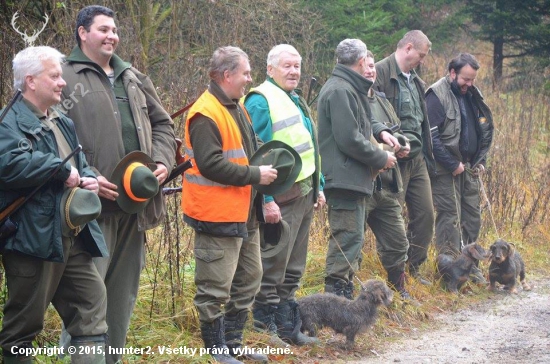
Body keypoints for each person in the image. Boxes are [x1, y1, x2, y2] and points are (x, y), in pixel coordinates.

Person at [59, 6, 176, 363]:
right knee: (87, 299)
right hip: (88, 212)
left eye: (115, 31)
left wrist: (161, 161)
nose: (112, 36)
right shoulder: (64, 75)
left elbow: (164, 126)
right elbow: (51, 134)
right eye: (103, 30)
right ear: (82, 33)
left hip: (134, 208)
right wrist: (88, 172)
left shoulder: (134, 77)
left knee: (122, 298)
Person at [0, 46, 108, 363]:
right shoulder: (8, 123)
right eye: (55, 76)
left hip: (74, 236)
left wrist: (88, 177)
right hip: (32, 239)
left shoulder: (61, 120)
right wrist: (62, 171)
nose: (63, 83)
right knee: (22, 329)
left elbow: (79, 161)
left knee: (91, 307)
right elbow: (8, 163)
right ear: (31, 81)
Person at [182, 46, 278, 364]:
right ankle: (216, 351)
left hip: (243, 212)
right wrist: (255, 174)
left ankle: (234, 344)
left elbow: (249, 145)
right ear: (227, 75)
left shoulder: (236, 106)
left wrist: (274, 154)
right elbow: (210, 165)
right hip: (216, 215)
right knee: (214, 287)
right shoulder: (205, 113)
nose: (250, 79)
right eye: (246, 73)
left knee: (250, 278)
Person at [244, 44, 325, 345]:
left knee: (294, 266)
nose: (294, 71)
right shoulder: (261, 100)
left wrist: (320, 185)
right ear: (270, 69)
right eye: (287, 66)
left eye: (297, 66)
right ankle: (265, 329)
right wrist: (265, 199)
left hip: (304, 193)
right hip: (280, 198)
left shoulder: (295, 99)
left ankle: (288, 327)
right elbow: (257, 154)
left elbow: (308, 146)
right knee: (274, 263)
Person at [317, 39, 400, 300]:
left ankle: (344, 303)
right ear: (362, 60)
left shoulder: (350, 87)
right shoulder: (341, 90)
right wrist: (381, 158)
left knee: (352, 242)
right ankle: (336, 306)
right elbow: (349, 139)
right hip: (344, 180)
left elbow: (360, 131)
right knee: (345, 243)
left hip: (352, 178)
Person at [373, 30, 435, 285]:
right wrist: (391, 143)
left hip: (418, 159)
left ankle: (415, 267)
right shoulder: (377, 73)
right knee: (393, 216)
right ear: (408, 48)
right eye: (420, 55)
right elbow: (370, 115)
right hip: (393, 160)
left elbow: (421, 121)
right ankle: (395, 274)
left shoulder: (416, 81)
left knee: (426, 214)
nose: (421, 61)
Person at [425, 53, 494, 283]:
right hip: (446, 169)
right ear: (452, 73)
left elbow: (481, 129)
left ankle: (469, 266)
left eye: (472, 79)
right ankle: (448, 270)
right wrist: (452, 164)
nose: (469, 84)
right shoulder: (437, 95)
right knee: (449, 218)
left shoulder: (472, 94)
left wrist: (480, 159)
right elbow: (430, 138)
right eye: (465, 79)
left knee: (472, 217)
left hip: (470, 168)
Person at [362, 50, 415, 299]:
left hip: (388, 186)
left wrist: (403, 145)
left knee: (398, 242)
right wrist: (384, 150)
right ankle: (350, 300)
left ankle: (397, 290)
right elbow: (356, 141)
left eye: (372, 66)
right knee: (350, 246)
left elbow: (397, 130)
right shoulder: (349, 100)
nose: (370, 71)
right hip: (362, 185)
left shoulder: (382, 99)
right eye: (364, 67)